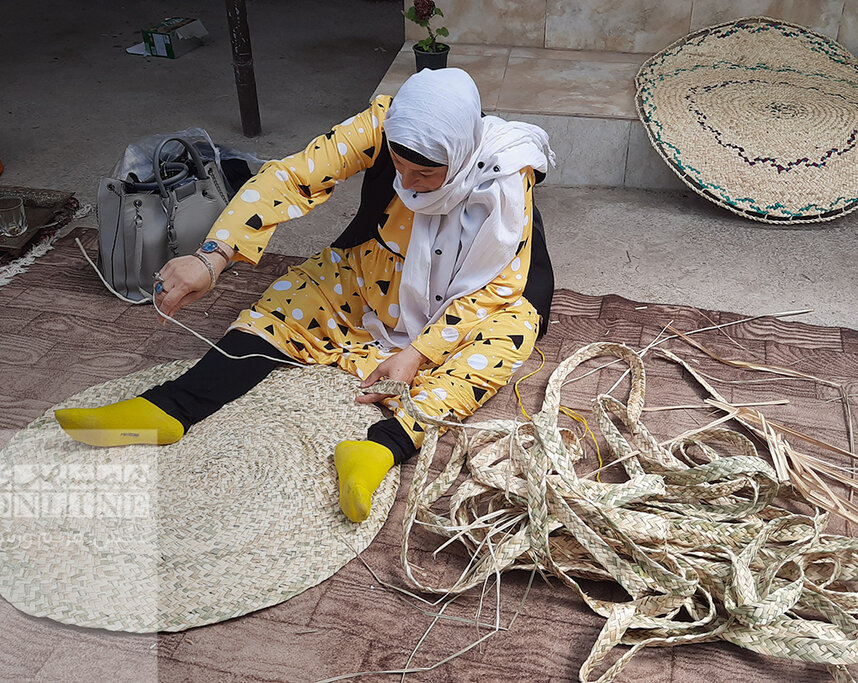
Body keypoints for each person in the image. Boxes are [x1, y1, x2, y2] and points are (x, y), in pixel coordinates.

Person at [55, 68, 555, 523]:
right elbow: (291, 177)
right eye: (399, 168)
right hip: (378, 270)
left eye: (424, 176)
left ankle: (381, 448)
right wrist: (212, 257)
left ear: (462, 153)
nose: (406, 184)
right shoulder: (382, 124)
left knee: (502, 342)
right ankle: (171, 408)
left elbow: (498, 286)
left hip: (480, 298)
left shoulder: (506, 174)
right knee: (290, 299)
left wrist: (417, 352)